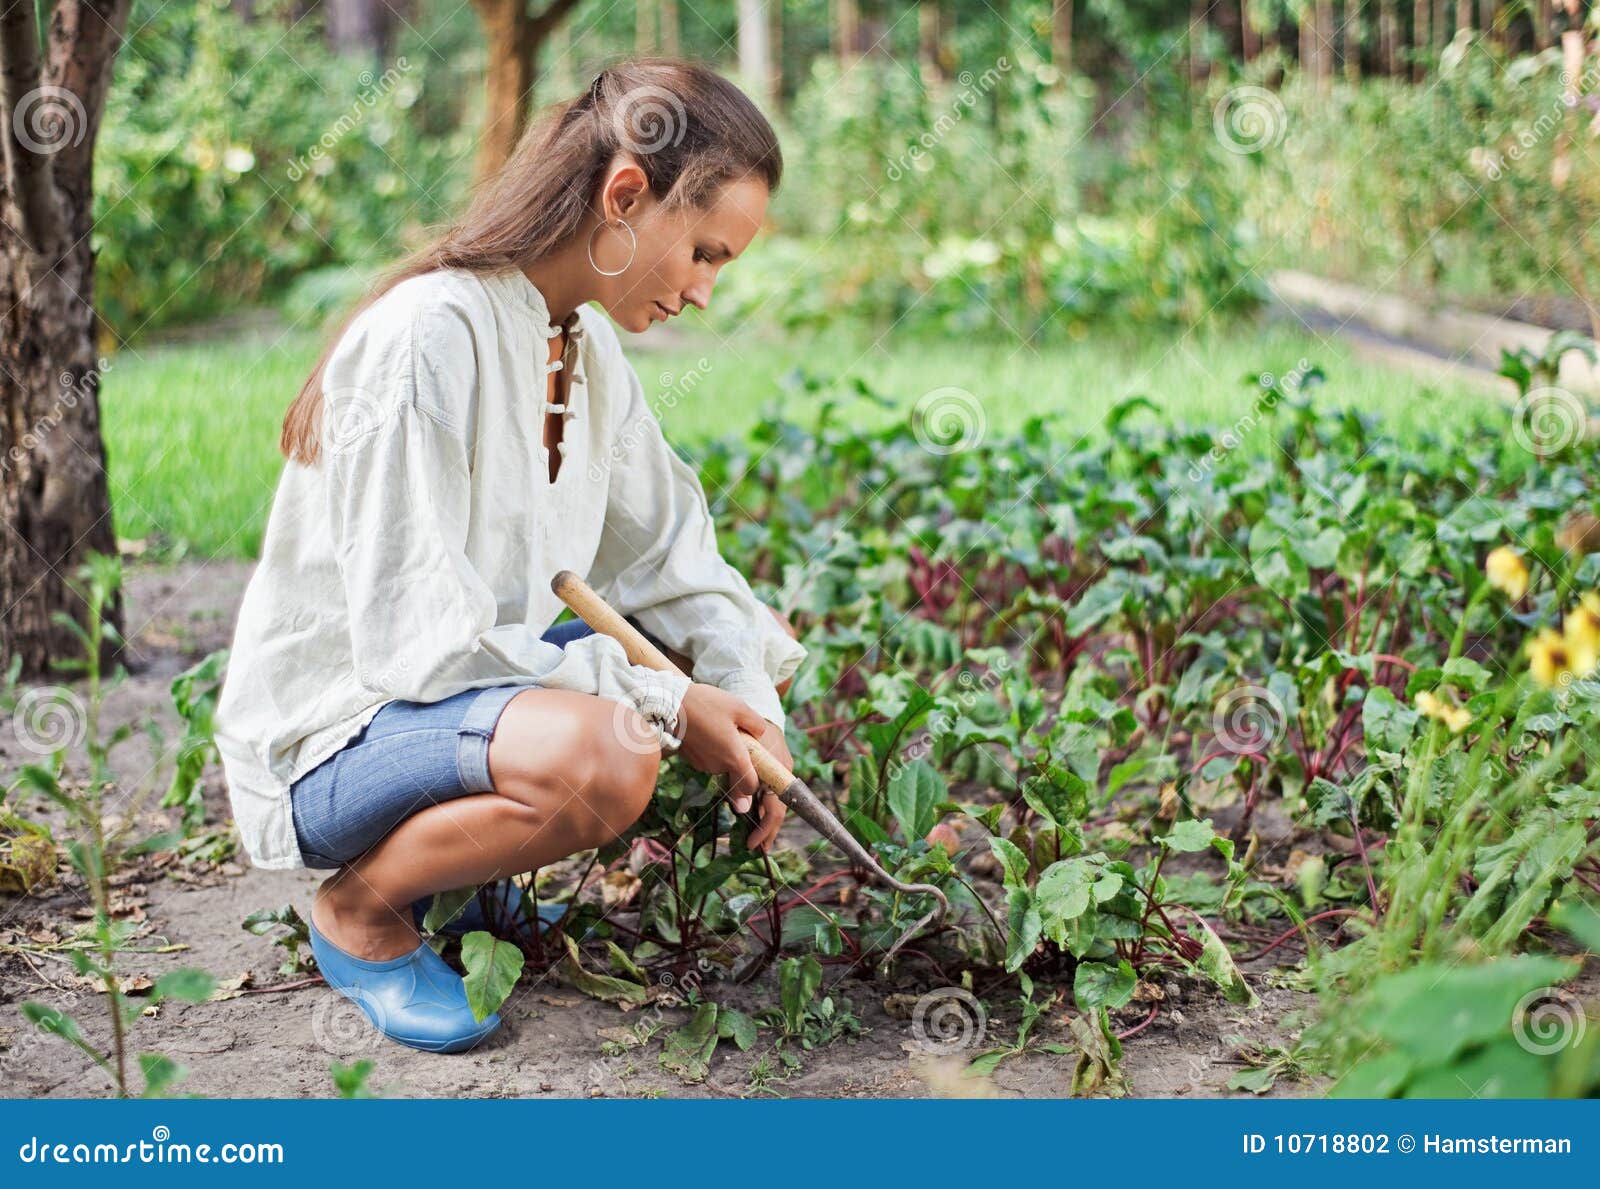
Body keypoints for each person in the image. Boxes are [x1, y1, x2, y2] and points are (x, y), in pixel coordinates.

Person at [212, 58, 807, 1054]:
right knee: (615, 751)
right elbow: (421, 648)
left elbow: (673, 553)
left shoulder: (582, 345)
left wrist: (749, 701)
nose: (704, 292)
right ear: (626, 195)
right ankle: (361, 911)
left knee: (675, 654)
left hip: (451, 710)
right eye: (703, 252)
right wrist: (667, 703)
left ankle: (463, 891)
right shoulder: (426, 336)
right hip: (341, 738)